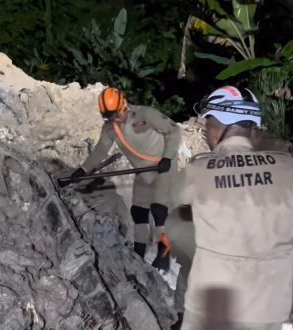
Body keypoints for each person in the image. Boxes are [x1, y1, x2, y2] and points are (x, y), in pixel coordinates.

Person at [177, 86, 293, 330]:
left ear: (218, 126)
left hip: (212, 310)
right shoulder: (287, 167)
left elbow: (174, 218)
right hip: (269, 309)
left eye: (207, 125)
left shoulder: (197, 171)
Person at [68, 87, 181, 270]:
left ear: (124, 105)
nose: (115, 120)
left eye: (116, 114)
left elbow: (174, 132)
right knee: (139, 211)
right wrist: (83, 170)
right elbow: (100, 151)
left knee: (160, 210)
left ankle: (164, 254)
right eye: (110, 117)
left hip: (163, 166)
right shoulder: (111, 128)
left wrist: (167, 157)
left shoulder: (146, 114)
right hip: (143, 171)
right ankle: (138, 253)